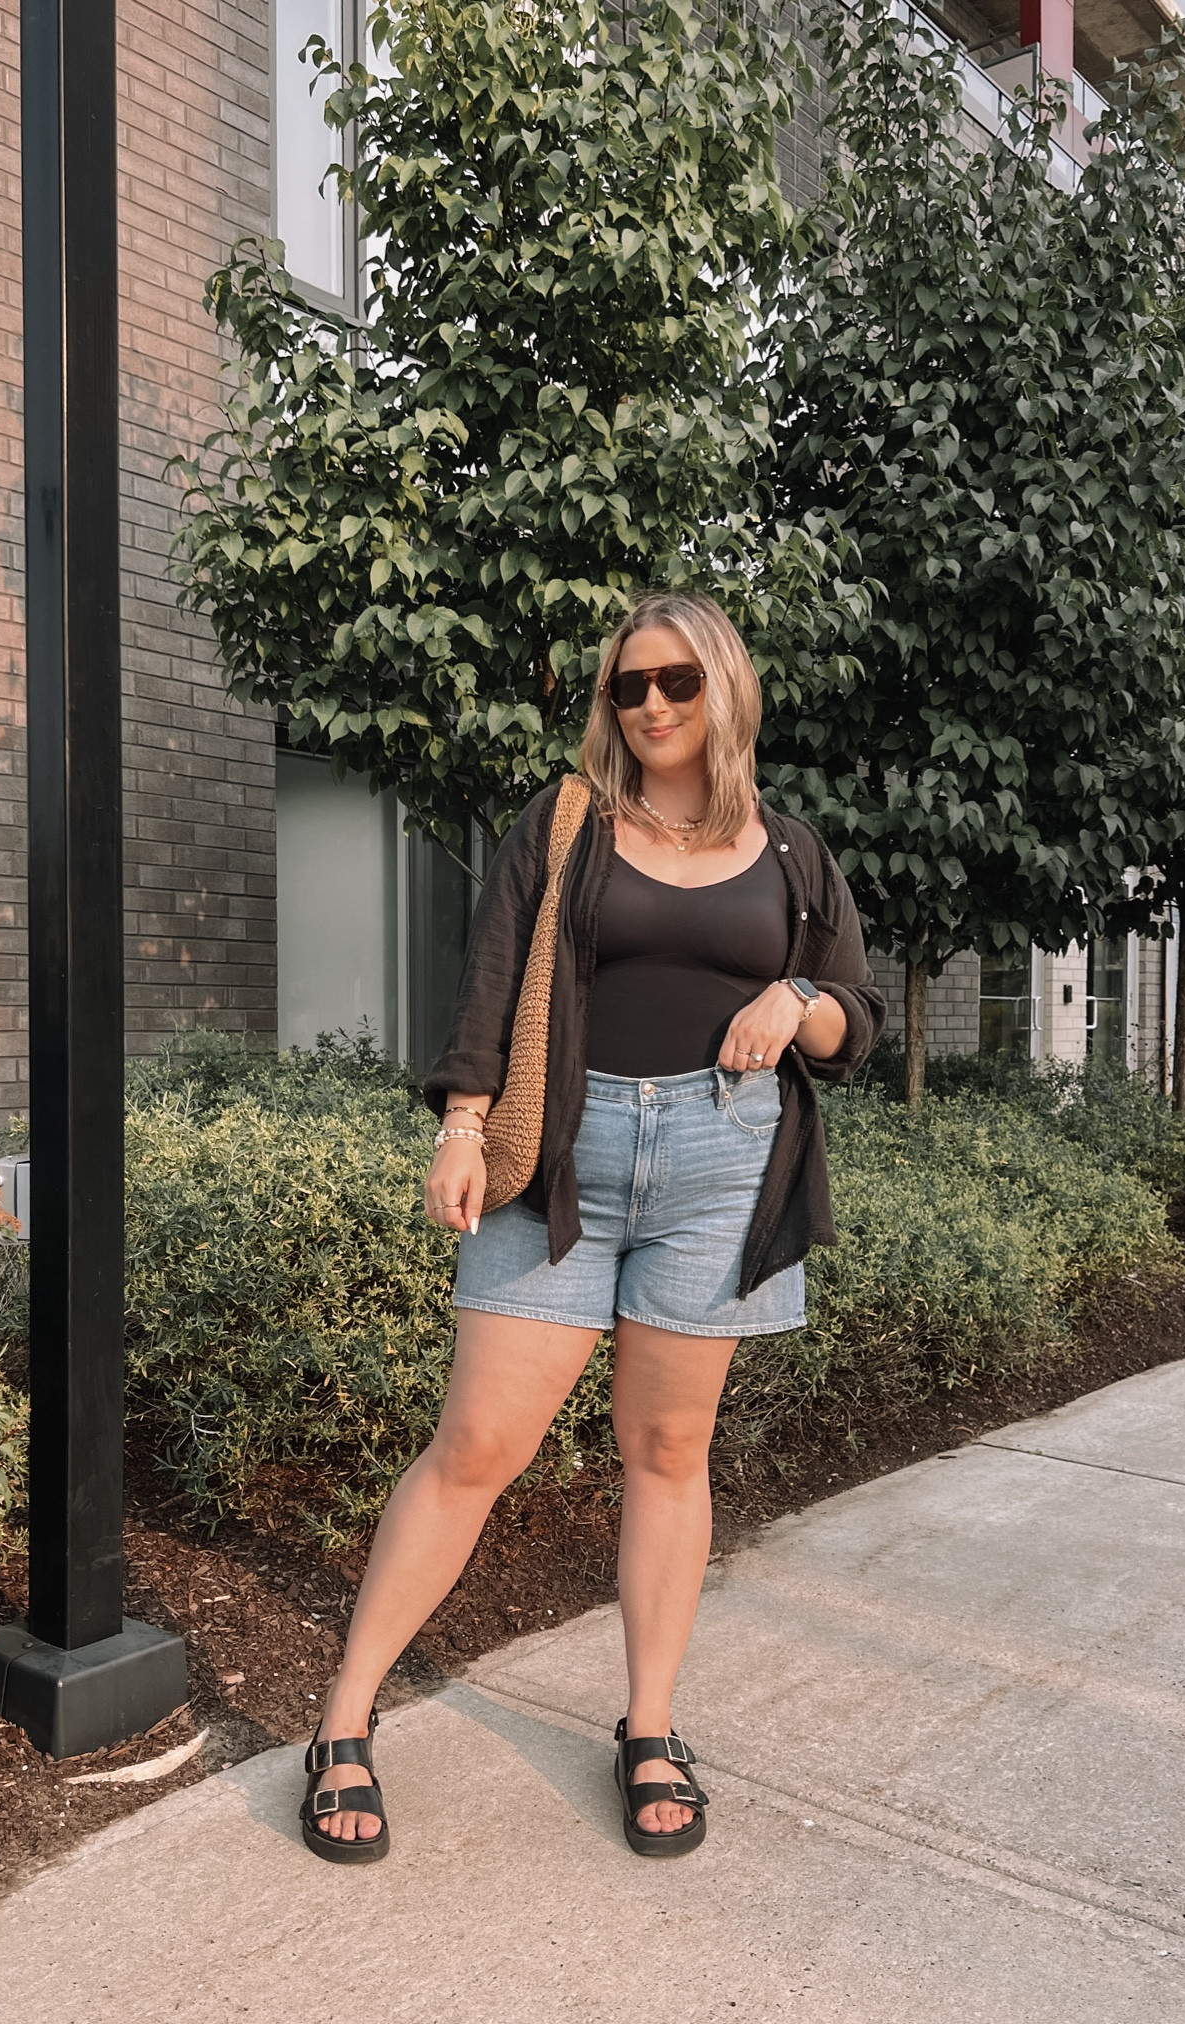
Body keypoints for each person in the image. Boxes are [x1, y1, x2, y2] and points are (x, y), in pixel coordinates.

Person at [300, 591, 886, 1863]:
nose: (653, 704)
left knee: (669, 1447)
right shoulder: (566, 827)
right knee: (474, 1444)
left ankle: (651, 1722)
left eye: (676, 680)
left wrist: (797, 999)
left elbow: (859, 1016)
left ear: (723, 687)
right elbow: (492, 975)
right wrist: (461, 1126)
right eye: (628, 686)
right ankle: (343, 1720)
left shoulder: (789, 849)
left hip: (722, 1157)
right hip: (562, 1160)